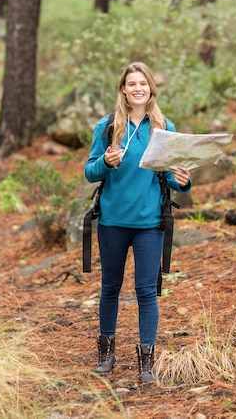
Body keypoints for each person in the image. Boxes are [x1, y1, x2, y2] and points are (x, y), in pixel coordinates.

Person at [84, 61, 191, 384]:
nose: (137, 89)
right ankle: (106, 354)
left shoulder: (164, 127)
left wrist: (182, 180)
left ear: (151, 89)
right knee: (110, 288)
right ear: (123, 90)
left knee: (146, 292)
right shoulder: (107, 126)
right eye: (131, 84)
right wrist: (105, 161)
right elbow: (90, 172)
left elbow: (171, 177)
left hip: (150, 223)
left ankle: (146, 362)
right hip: (113, 221)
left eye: (142, 83)